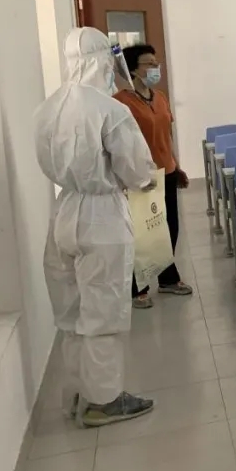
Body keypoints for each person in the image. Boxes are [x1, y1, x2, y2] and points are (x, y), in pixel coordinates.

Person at [35, 28, 158, 427]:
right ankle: (103, 400)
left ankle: (78, 392)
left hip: (64, 211)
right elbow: (137, 170)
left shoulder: (48, 108)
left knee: (70, 312)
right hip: (101, 215)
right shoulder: (110, 110)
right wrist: (146, 181)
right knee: (103, 312)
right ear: (103, 61)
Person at [114, 44, 192, 309]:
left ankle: (168, 278)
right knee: (142, 233)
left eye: (156, 63)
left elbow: (167, 135)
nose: (155, 67)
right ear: (133, 70)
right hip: (138, 178)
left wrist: (176, 165)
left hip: (165, 172)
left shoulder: (160, 97)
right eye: (149, 63)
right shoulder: (120, 102)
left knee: (169, 227)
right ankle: (138, 287)